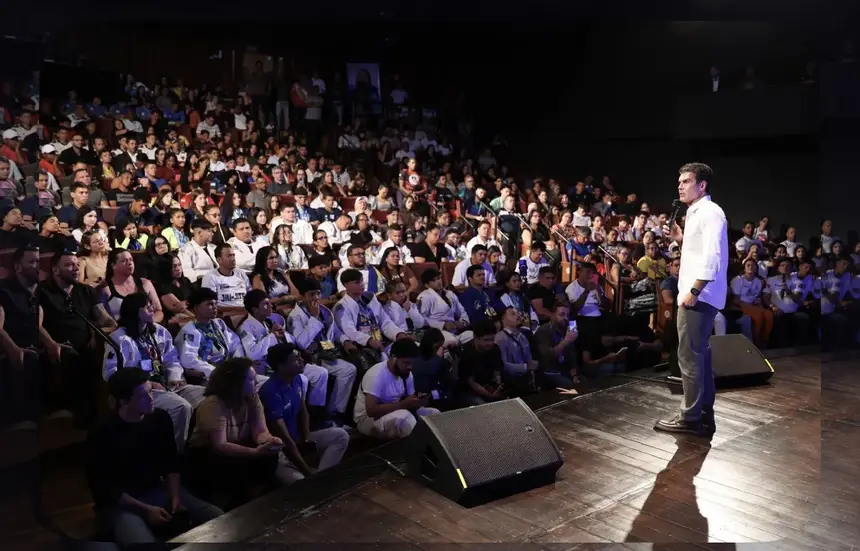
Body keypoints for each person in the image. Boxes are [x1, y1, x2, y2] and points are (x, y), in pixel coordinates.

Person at [86, 368, 223, 546]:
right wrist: (147, 510)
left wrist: (175, 496)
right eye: (142, 396)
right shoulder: (102, 433)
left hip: (157, 490)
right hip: (122, 502)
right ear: (124, 401)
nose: (151, 399)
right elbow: (105, 489)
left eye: (150, 392)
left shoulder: (159, 418)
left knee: (216, 517)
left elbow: (171, 461)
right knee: (144, 543)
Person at [655, 163, 728, 436]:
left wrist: (695, 291)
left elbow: (712, 257)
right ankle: (704, 414)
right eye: (680, 181)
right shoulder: (697, 213)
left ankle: (690, 417)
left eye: (686, 181)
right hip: (699, 295)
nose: (680, 185)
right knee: (699, 356)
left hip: (698, 297)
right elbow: (699, 251)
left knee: (689, 357)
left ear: (702, 185)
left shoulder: (709, 212)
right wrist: (681, 238)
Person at [186, 358, 283, 509]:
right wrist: (254, 452)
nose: (256, 382)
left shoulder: (252, 397)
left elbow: (260, 431)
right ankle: (231, 506)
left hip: (235, 446)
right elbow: (220, 445)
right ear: (235, 382)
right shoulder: (213, 403)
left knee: (269, 456)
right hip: (206, 453)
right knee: (236, 466)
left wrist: (269, 441)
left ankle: (253, 500)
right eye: (251, 379)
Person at [258, 342, 349, 484]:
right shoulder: (271, 392)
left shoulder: (297, 379)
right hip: (280, 452)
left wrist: (306, 439)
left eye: (300, 357)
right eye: (296, 359)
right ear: (281, 366)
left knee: (340, 435)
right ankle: (315, 480)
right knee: (301, 482)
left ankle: (321, 477)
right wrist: (307, 472)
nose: (302, 361)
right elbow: (285, 440)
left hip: (298, 440)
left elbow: (303, 409)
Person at [353, 339, 440, 439]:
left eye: (413, 363)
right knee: (405, 418)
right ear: (394, 357)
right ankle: (417, 447)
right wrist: (403, 404)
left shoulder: (407, 373)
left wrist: (419, 402)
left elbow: (409, 402)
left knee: (434, 414)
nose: (410, 367)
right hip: (367, 420)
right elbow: (371, 411)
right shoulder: (376, 375)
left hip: (395, 411)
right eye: (406, 362)